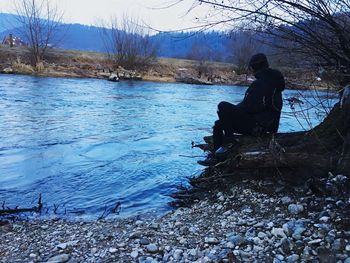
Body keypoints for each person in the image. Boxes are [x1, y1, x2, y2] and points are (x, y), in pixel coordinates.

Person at [198, 53, 285, 166]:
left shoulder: (260, 84)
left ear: (253, 68)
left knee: (222, 106)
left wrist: (229, 112)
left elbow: (249, 108)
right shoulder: (274, 82)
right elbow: (253, 106)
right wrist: (231, 113)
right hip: (267, 126)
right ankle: (216, 157)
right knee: (219, 124)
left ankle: (230, 142)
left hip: (257, 127)